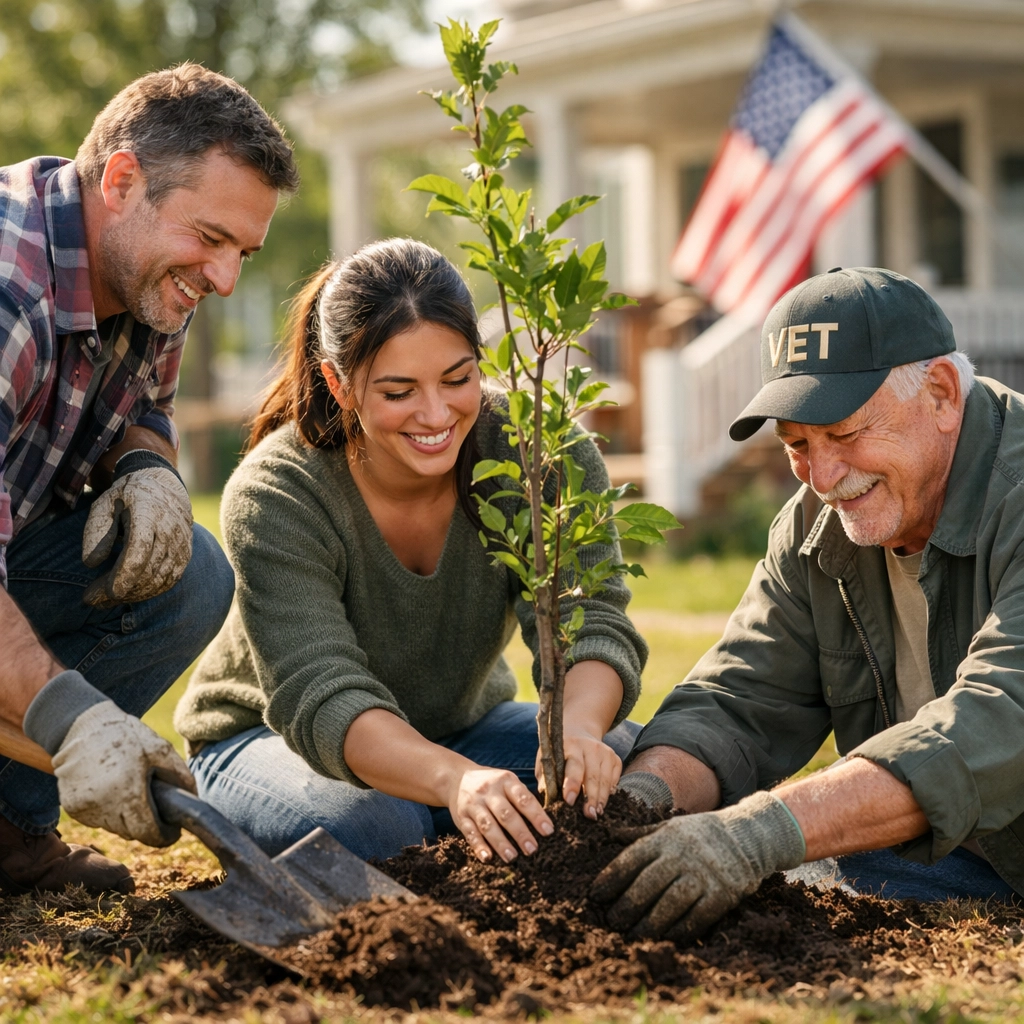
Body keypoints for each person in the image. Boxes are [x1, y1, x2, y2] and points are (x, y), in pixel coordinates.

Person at [173, 238, 647, 864]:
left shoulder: (538, 452)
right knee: (378, 828)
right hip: (269, 739)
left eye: (458, 379)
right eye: (398, 392)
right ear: (338, 385)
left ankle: (452, 817)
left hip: (460, 725)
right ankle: (429, 817)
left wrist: (579, 733)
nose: (435, 414)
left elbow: (593, 623)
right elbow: (325, 696)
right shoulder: (277, 494)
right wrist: (453, 781)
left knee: (645, 765)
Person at [596, 267, 1024, 941]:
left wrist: (755, 834)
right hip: (937, 855)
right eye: (796, 444)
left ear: (941, 394)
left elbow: (1000, 721)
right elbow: (739, 698)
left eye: (846, 433)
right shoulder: (817, 524)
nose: (822, 478)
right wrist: (643, 802)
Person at [0, 64, 299, 895]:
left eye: (243, 250)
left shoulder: (144, 276)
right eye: (210, 238)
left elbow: (147, 409)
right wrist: (70, 720)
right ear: (123, 180)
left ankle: (5, 829)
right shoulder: (8, 295)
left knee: (189, 574)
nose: (225, 277)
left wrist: (145, 465)